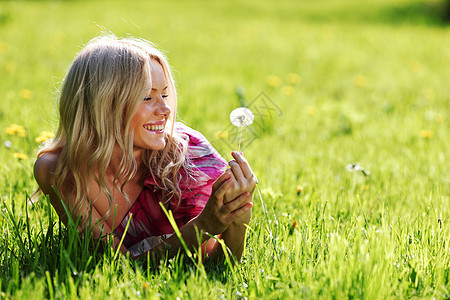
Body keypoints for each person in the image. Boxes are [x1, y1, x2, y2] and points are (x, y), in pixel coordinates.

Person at [33, 35, 256, 263]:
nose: (165, 109)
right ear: (103, 105)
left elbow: (215, 265)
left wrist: (238, 221)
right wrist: (203, 226)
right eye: (148, 97)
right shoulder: (59, 171)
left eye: (165, 95)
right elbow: (119, 265)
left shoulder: (188, 159)